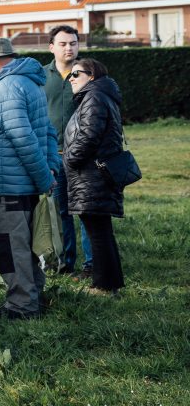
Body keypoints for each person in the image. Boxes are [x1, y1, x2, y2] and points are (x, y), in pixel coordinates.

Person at [0, 36, 59, 320]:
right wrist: (50, 170)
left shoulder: (8, 87)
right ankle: (33, 297)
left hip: (8, 187)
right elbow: (48, 132)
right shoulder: (29, 83)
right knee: (25, 246)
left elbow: (24, 139)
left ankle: (21, 307)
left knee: (10, 247)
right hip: (22, 184)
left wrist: (45, 178)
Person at [63, 58, 126, 293]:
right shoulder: (98, 95)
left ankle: (104, 286)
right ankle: (111, 283)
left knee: (97, 232)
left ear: (91, 76)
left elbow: (89, 135)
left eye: (75, 74)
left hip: (91, 175)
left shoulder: (95, 97)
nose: (70, 78)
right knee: (100, 230)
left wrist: (69, 159)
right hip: (92, 175)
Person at [44, 25, 94, 277]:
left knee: (86, 210)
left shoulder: (89, 75)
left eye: (73, 43)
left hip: (84, 156)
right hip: (54, 156)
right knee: (61, 212)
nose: (69, 48)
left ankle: (92, 265)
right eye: (63, 43)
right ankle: (66, 264)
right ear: (51, 47)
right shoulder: (41, 76)